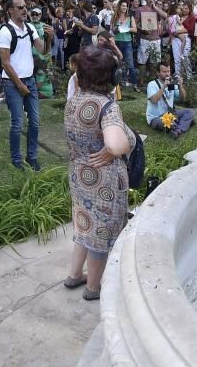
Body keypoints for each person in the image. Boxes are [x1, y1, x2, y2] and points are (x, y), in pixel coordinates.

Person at [64, 46, 135, 301]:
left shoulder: (74, 101)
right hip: (103, 180)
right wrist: (115, 150)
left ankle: (74, 275)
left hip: (80, 175)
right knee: (100, 235)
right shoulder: (107, 107)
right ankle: (93, 288)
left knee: (85, 224)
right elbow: (116, 144)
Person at [0, 0, 46, 170]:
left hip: (29, 81)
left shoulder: (30, 27)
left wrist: (49, 37)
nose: (25, 10)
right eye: (20, 7)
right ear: (10, 10)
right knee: (17, 123)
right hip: (13, 83)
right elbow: (5, 63)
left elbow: (42, 50)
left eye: (25, 6)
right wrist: (19, 85)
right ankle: (16, 159)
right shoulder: (5, 31)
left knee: (34, 121)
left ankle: (32, 157)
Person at [145, 62, 195, 138]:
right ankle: (182, 124)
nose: (167, 74)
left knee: (190, 112)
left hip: (170, 114)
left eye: (168, 71)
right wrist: (164, 86)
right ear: (158, 73)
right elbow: (154, 100)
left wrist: (180, 85)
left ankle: (178, 129)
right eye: (164, 72)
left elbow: (182, 99)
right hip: (156, 117)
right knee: (168, 122)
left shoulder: (171, 84)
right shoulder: (152, 84)